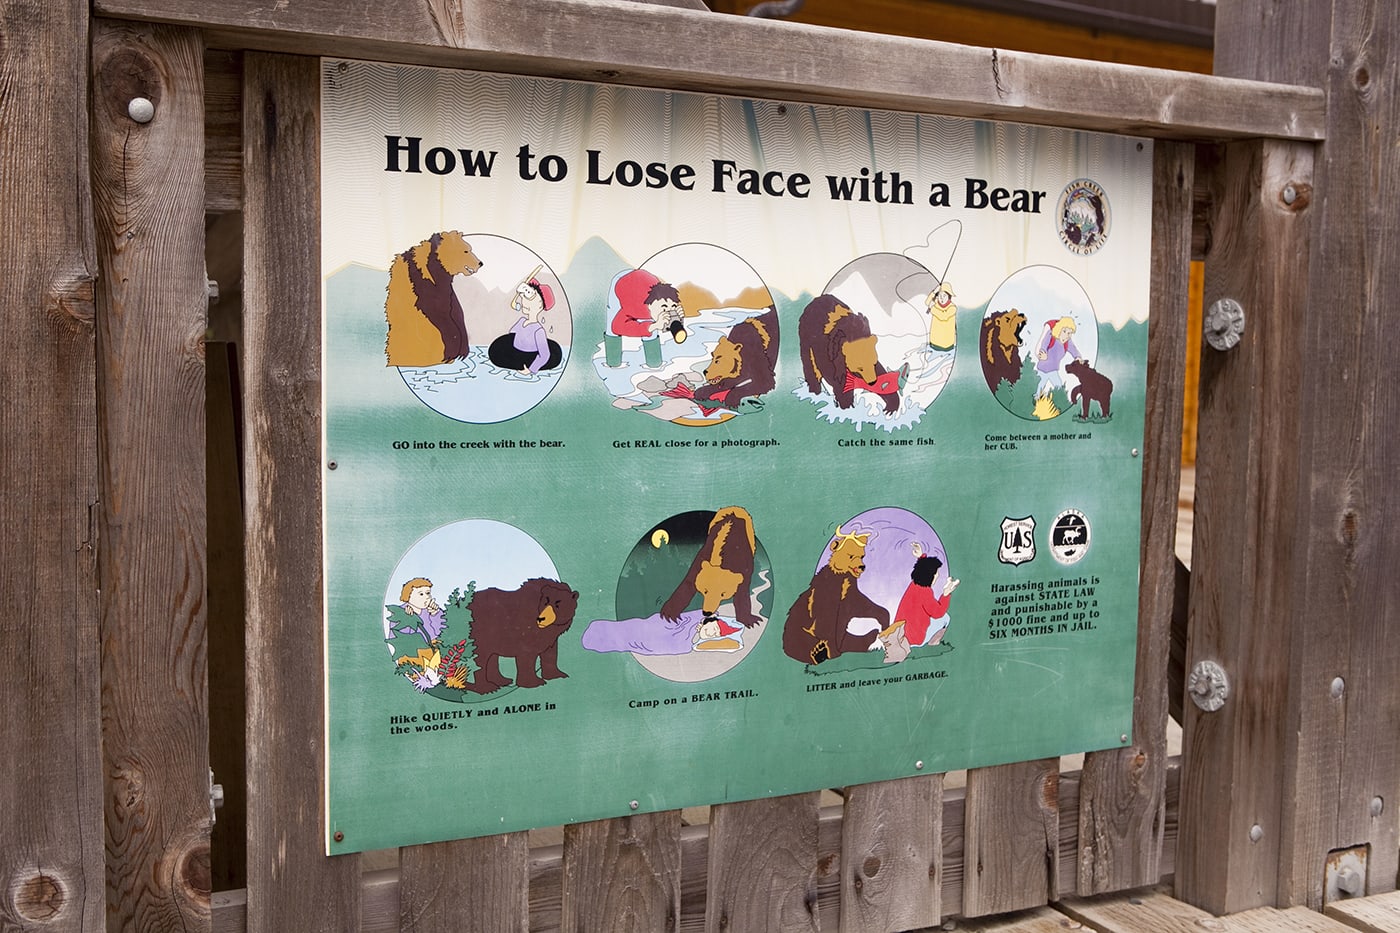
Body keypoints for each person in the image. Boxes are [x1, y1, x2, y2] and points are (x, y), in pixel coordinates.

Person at [605, 268, 684, 368]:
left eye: (673, 306)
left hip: (646, 284)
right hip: (621, 282)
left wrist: (678, 320)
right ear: (650, 304)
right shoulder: (633, 307)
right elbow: (617, 327)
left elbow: (665, 310)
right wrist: (653, 326)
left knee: (653, 322)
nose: (667, 312)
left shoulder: (658, 305)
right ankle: (613, 361)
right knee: (612, 321)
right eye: (664, 308)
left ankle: (654, 363)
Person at [488, 274, 563, 373]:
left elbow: (544, 355)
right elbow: (511, 336)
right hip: (515, 351)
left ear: (540, 306)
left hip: (529, 355)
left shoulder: (538, 330)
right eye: (524, 298)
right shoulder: (522, 321)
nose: (525, 303)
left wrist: (531, 369)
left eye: (531, 301)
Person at [892, 543, 959, 647]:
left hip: (901, 636)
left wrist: (921, 557)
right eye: (936, 573)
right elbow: (938, 613)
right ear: (930, 576)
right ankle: (932, 644)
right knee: (945, 618)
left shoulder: (914, 584)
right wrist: (946, 594)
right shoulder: (925, 592)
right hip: (914, 640)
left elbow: (922, 569)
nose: (938, 575)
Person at [387, 577, 446, 650]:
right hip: (412, 652)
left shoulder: (431, 610)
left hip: (433, 648)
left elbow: (443, 633)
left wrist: (436, 615)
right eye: (421, 594)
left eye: (428, 593)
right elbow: (396, 638)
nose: (427, 597)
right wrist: (408, 620)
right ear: (408, 595)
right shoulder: (399, 613)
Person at [1033, 316, 1082, 395]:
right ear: (1060, 329)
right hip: (1042, 370)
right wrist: (1043, 354)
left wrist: (1078, 357)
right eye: (1065, 331)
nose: (1067, 335)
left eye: (1069, 333)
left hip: (1053, 371)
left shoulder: (1067, 342)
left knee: (1059, 389)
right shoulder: (1050, 335)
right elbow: (1043, 345)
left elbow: (1073, 349)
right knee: (1037, 390)